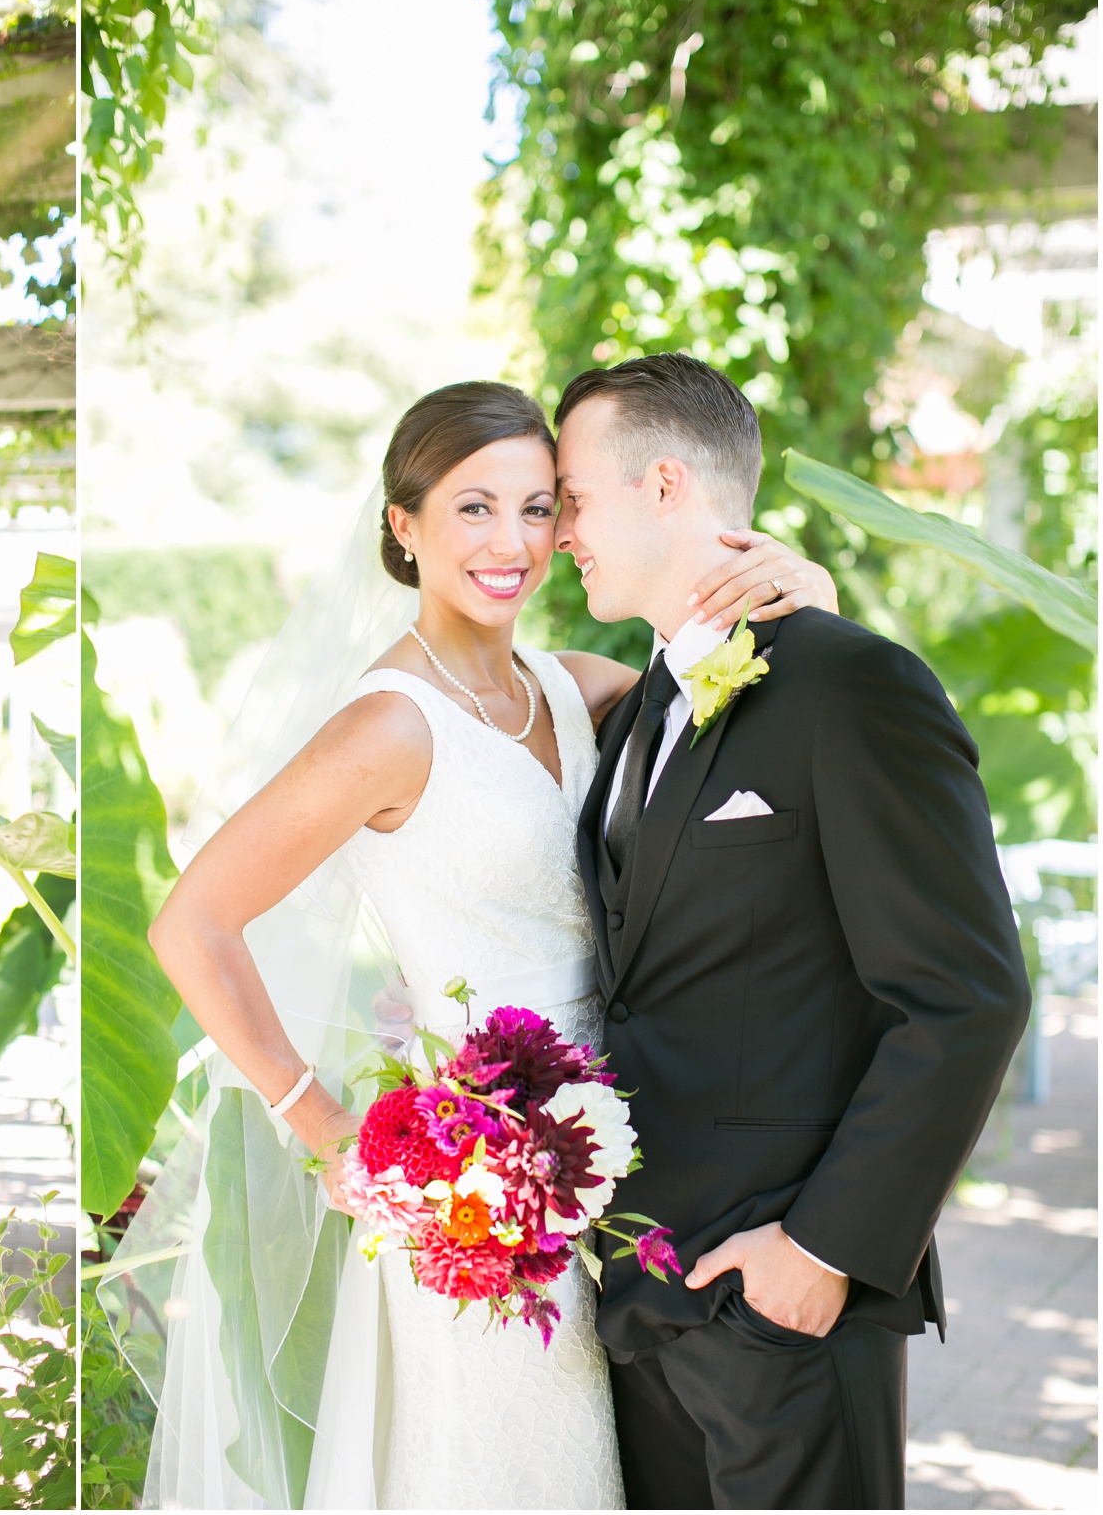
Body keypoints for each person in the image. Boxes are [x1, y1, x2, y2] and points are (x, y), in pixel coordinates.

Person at [127, 376, 840, 1509]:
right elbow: (191, 921)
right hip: (481, 1180)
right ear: (403, 528)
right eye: (472, 508)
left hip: (622, 1164)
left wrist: (803, 590)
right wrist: (323, 1129)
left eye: (537, 506)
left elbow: (736, 692)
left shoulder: (573, 688)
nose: (512, 542)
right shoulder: (384, 725)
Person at [554, 353, 1028, 1508]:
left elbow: (966, 996)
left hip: (785, 1306)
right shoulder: (630, 714)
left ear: (663, 482)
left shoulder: (853, 686)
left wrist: (821, 1251)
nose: (557, 529)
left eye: (570, 495)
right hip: (638, 1302)